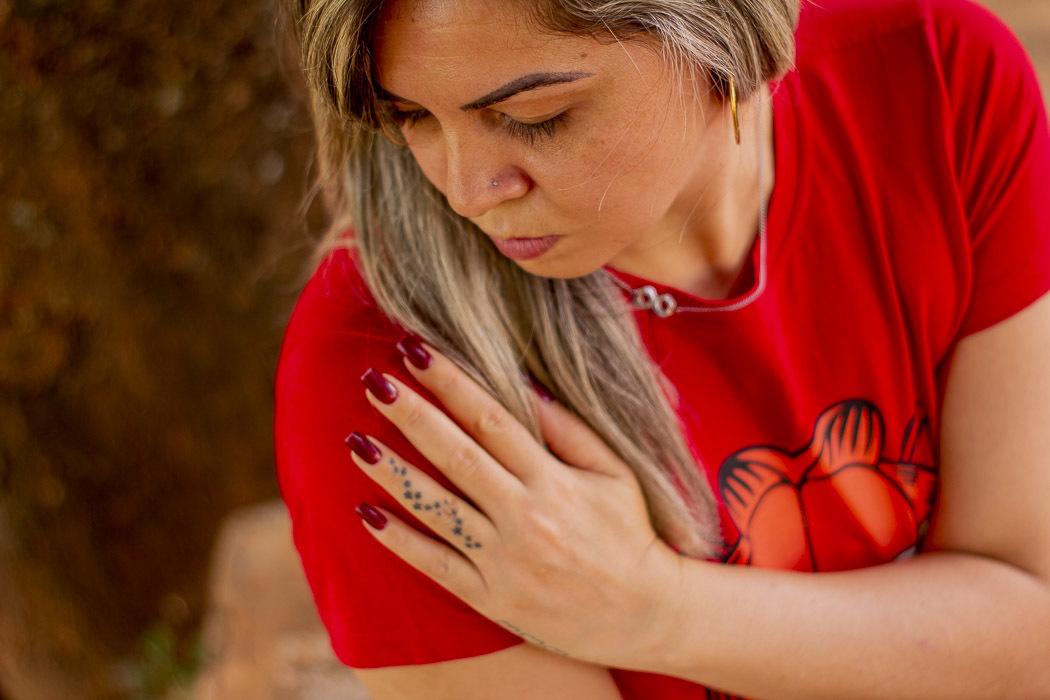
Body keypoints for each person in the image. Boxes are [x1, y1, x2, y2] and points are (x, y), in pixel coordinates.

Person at [273, 0, 1050, 696]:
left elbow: (1031, 625)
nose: (467, 191)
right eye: (410, 115)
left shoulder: (932, 80)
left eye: (536, 116)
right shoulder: (389, 382)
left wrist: (655, 610)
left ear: (718, 30)